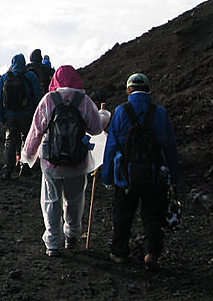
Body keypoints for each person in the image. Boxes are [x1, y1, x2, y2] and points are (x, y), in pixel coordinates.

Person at [21, 65, 110, 256]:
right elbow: (95, 129)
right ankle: (72, 237)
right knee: (74, 200)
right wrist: (104, 116)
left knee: (51, 200)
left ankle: (52, 243)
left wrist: (28, 155)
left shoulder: (49, 100)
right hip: (78, 161)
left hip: (51, 162)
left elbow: (36, 130)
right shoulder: (83, 100)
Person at [101, 73, 180, 271]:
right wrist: (175, 176)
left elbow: (111, 146)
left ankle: (119, 252)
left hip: (125, 176)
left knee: (123, 212)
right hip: (155, 175)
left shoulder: (121, 111)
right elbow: (170, 146)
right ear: (148, 89)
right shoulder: (160, 113)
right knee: (153, 213)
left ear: (129, 90)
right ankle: (151, 252)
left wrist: (107, 176)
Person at [0, 54, 43, 180]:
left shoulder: (5, 77)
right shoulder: (30, 76)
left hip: (10, 115)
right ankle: (25, 166)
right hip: (27, 114)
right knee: (27, 140)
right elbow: (38, 96)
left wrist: (1, 116)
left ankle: (7, 170)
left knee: (10, 141)